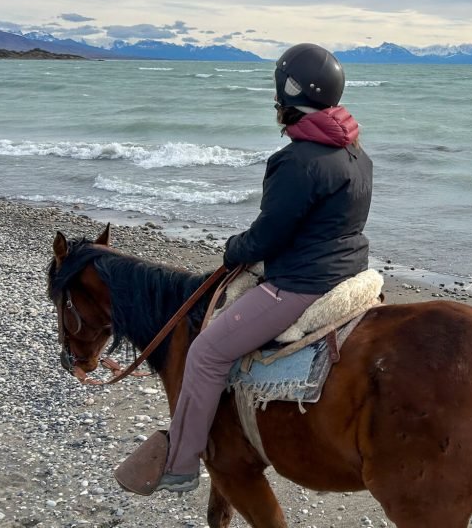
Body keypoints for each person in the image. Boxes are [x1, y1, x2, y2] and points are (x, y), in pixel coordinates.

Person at [153, 43, 373, 492]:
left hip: (300, 285)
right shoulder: (357, 153)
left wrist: (233, 249)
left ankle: (179, 464)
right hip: (349, 273)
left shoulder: (295, 161)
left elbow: (268, 237)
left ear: (287, 96)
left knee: (205, 353)